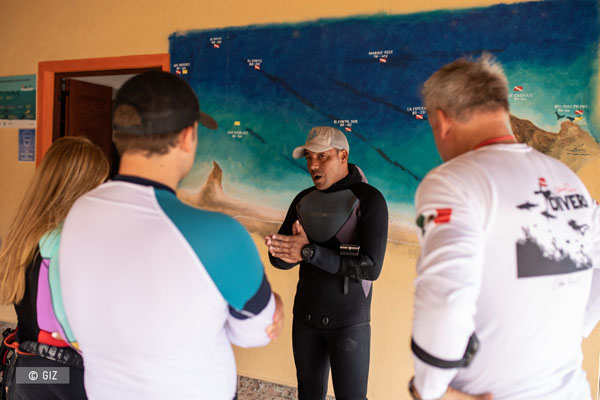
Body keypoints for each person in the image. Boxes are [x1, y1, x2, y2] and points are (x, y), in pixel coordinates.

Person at [55, 71, 284, 400]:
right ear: (187, 137)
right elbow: (256, 333)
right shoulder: (218, 235)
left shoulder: (79, 213)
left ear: (120, 134)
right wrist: (274, 302)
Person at [409, 54, 600, 400]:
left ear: (441, 120)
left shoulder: (454, 182)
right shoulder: (569, 181)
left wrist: (430, 389)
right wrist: (574, 330)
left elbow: (446, 294)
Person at [265, 126, 388, 400]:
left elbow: (371, 267)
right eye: (309, 157)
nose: (312, 165)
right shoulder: (303, 200)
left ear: (343, 156)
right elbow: (281, 258)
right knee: (308, 396)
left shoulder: (369, 200)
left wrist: (309, 252)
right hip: (305, 318)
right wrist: (284, 253)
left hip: (349, 323)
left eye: (322, 157)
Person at [0, 136, 110, 400]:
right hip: (61, 370)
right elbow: (69, 324)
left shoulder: (28, 233)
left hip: (28, 367)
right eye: (99, 183)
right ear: (80, 186)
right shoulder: (64, 239)